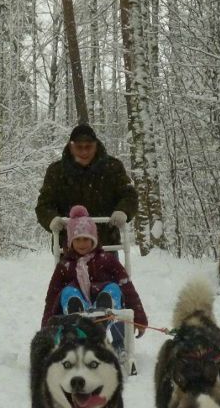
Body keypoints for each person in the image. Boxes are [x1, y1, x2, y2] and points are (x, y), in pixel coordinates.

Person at [41, 206, 148, 355]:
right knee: (66, 292)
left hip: (106, 307)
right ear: (71, 241)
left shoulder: (107, 260)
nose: (82, 243)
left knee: (114, 288)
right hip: (78, 308)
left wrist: (139, 317)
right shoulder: (64, 266)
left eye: (86, 239)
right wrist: (46, 330)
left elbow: (127, 288)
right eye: (77, 239)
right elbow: (52, 296)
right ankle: (78, 333)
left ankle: (111, 336)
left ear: (94, 240)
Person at [35, 123, 138, 249]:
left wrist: (123, 211)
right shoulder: (56, 171)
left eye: (88, 147)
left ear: (96, 145)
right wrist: (51, 220)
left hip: (105, 244)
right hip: (69, 247)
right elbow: (44, 205)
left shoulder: (112, 167)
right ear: (71, 147)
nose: (84, 152)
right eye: (79, 147)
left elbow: (129, 196)